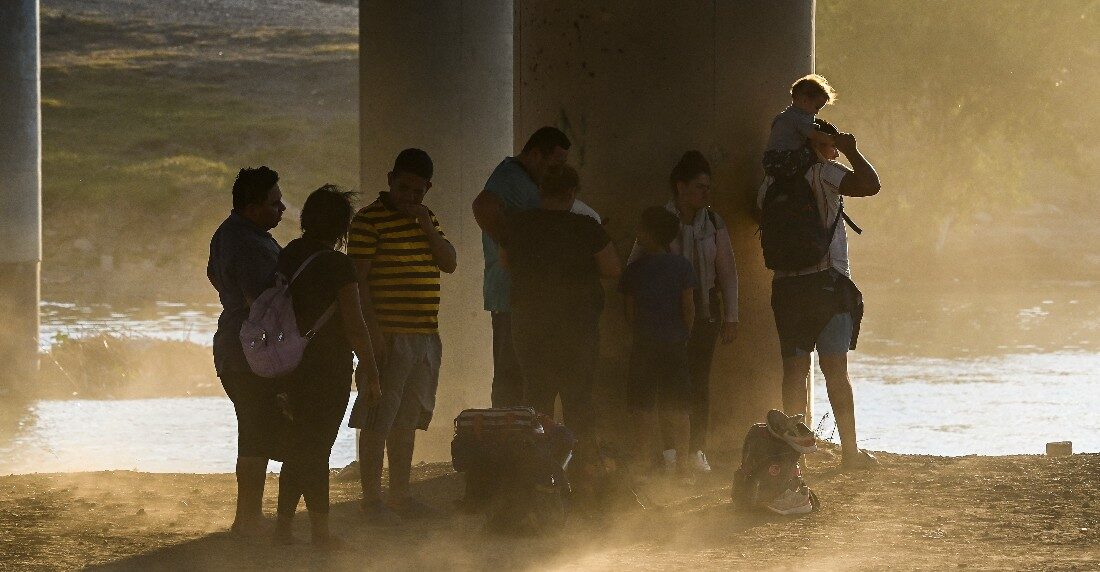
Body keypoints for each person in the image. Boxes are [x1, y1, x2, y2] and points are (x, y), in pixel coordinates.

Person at [757, 118, 881, 469]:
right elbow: (871, 185)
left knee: (795, 371)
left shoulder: (770, 183)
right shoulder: (825, 174)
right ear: (818, 145)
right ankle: (851, 453)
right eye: (831, 145)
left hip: (786, 287)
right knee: (836, 371)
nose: (834, 151)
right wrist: (852, 150)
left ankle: (796, 456)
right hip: (826, 285)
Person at [347, 149, 457, 525]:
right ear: (390, 178)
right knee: (378, 416)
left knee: (407, 419)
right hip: (389, 335)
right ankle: (371, 501)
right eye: (402, 187)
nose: (409, 195)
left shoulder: (428, 219)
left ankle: (400, 495)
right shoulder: (367, 222)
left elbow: (450, 262)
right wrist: (372, 333)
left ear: (428, 188)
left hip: (425, 335)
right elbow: (358, 282)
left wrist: (426, 226)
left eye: (417, 189)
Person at [272, 185, 382, 547]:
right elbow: (354, 323)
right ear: (341, 227)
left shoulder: (289, 255)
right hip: (327, 368)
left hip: (288, 364)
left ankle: (284, 528)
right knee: (317, 449)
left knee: (298, 446)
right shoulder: (339, 264)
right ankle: (320, 531)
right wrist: (372, 370)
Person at [473, 127, 603, 408]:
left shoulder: (527, 182)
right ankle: (508, 440)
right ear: (534, 154)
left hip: (531, 301)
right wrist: (512, 246)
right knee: (512, 376)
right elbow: (482, 206)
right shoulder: (510, 177)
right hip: (511, 296)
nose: (556, 170)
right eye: (554, 163)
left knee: (531, 377)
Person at [627, 151, 740, 473]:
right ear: (680, 186)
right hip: (666, 318)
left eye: (709, 188)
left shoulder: (714, 222)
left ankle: (695, 450)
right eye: (700, 187)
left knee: (698, 381)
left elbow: (728, 272)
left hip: (704, 313)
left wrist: (732, 316)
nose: (707, 194)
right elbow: (634, 266)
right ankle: (669, 452)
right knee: (667, 383)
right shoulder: (660, 222)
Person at [500, 164, 620, 441]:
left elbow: (505, 262)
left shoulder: (518, 225)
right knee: (578, 401)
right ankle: (581, 472)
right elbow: (613, 268)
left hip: (530, 327)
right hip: (576, 329)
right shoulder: (586, 227)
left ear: (541, 190)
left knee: (536, 400)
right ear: (571, 193)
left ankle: (537, 472)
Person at [207, 166, 286, 537]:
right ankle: (248, 518)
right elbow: (263, 303)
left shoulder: (227, 234)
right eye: (274, 202)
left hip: (232, 345)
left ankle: (248, 516)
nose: (282, 208)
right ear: (253, 207)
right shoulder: (250, 244)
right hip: (249, 350)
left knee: (252, 427)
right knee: (255, 429)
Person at [620, 206, 698, 476]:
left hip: (644, 344)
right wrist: (684, 334)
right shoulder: (682, 267)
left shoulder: (634, 270)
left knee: (642, 406)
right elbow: (688, 308)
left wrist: (640, 332)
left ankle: (643, 462)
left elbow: (629, 312)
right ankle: (683, 466)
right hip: (674, 343)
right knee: (678, 406)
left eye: (641, 228)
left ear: (649, 234)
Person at [762, 74, 839, 180]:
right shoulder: (798, 118)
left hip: (771, 160)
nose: (816, 112)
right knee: (811, 151)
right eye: (817, 107)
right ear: (804, 100)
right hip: (781, 159)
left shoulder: (786, 116)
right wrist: (833, 140)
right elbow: (814, 135)